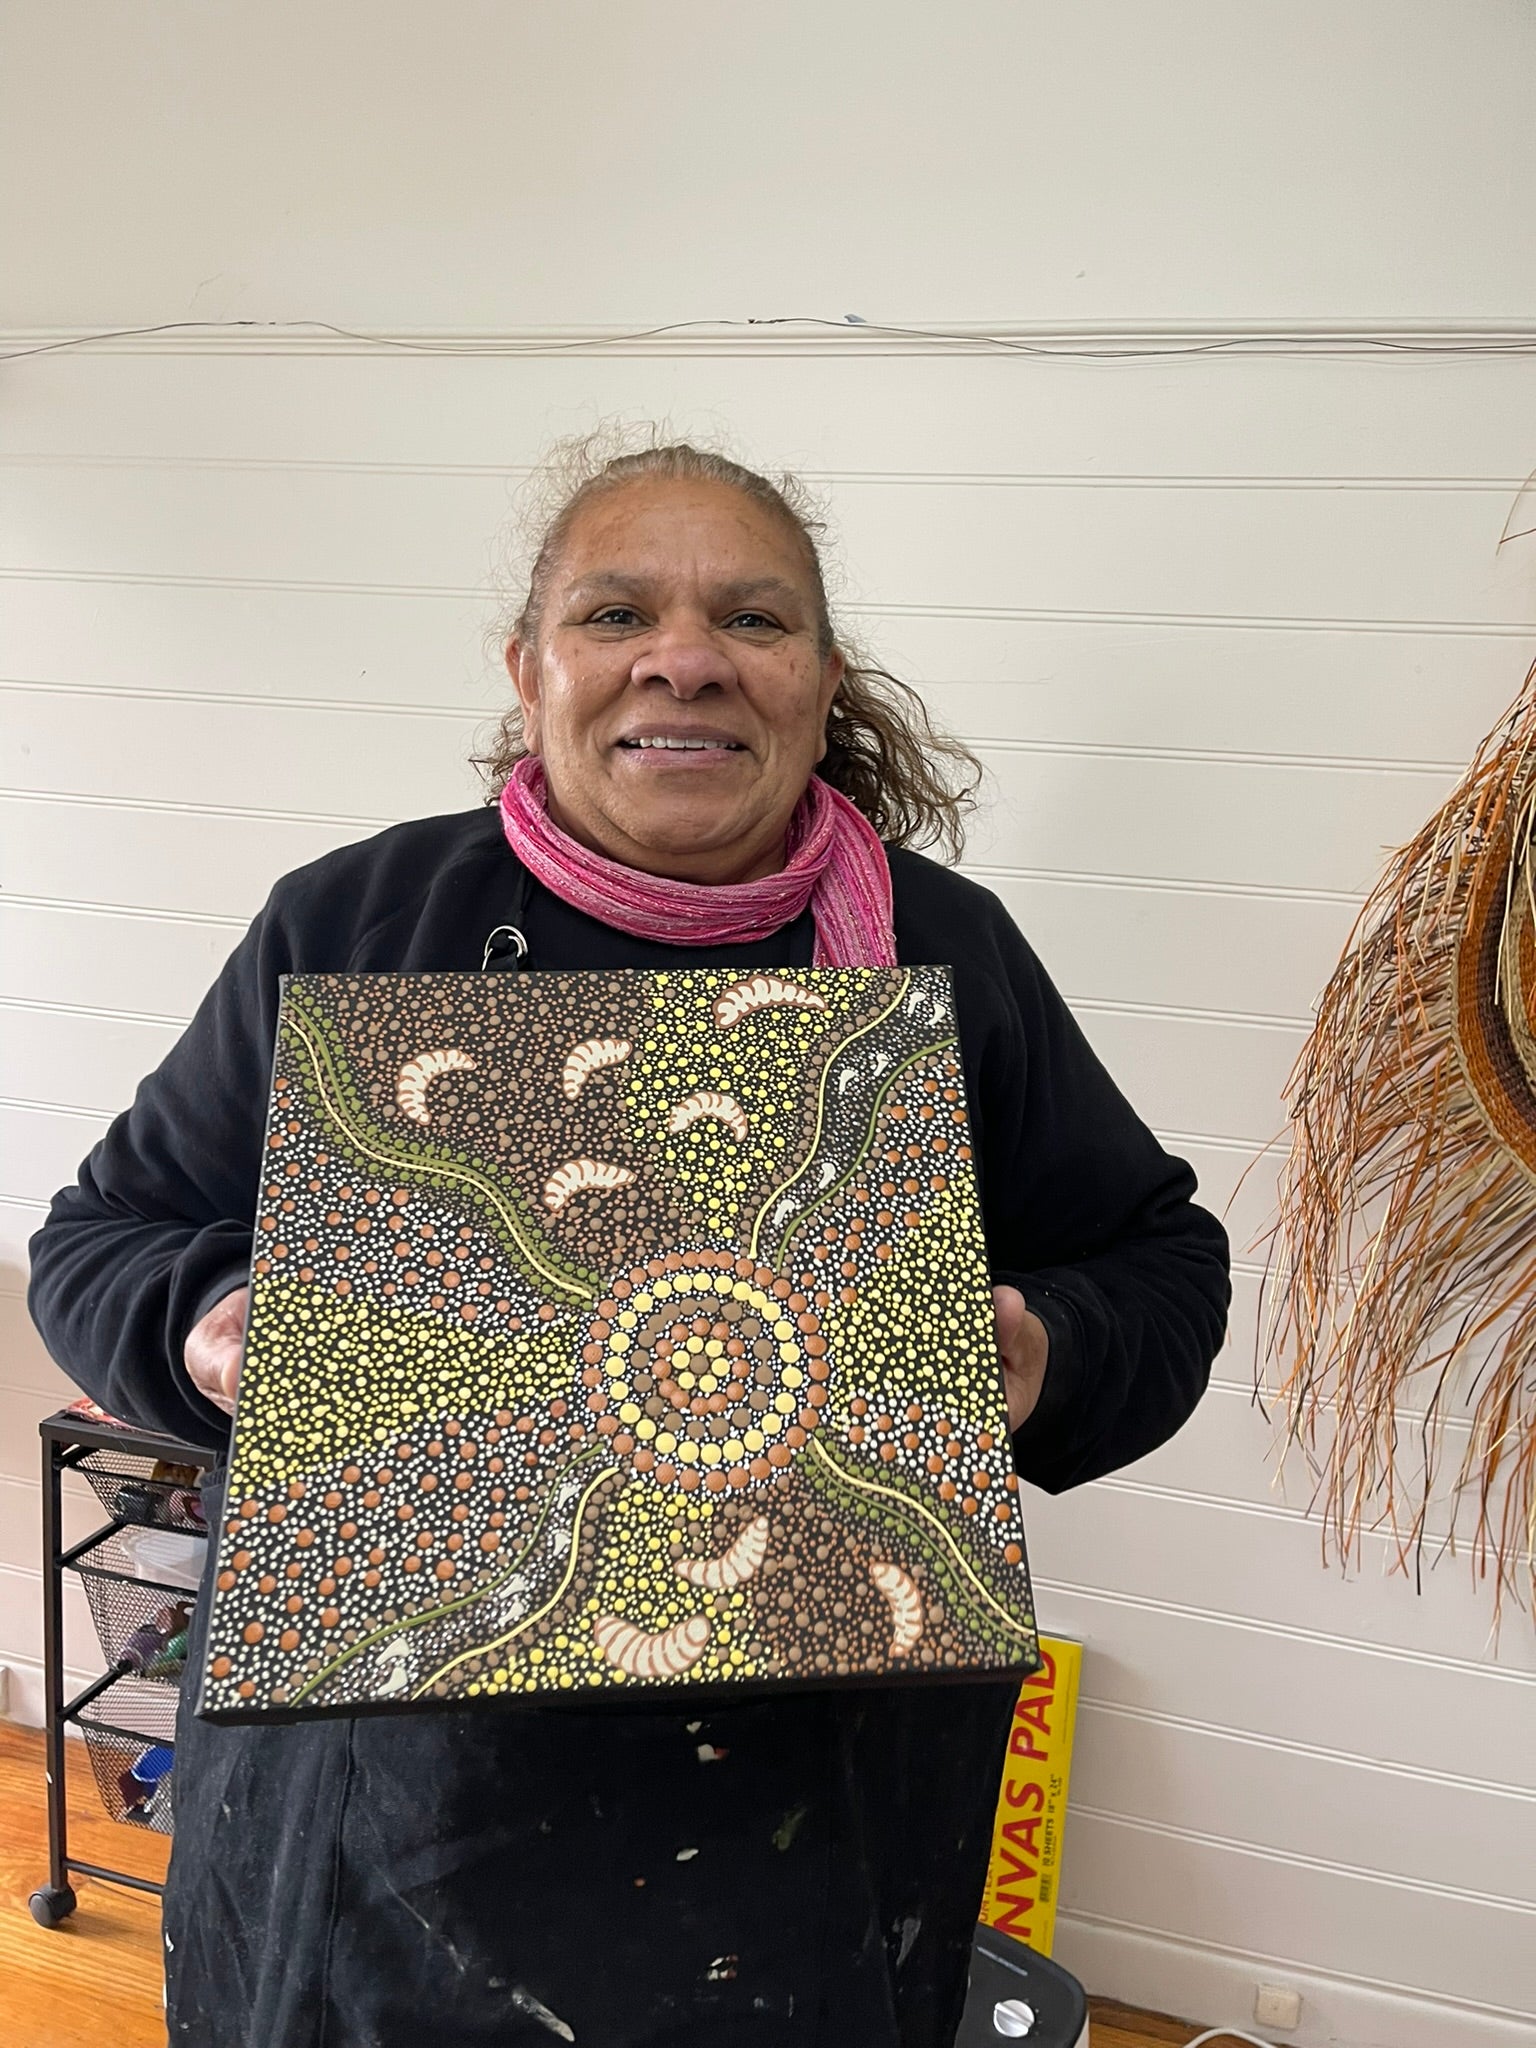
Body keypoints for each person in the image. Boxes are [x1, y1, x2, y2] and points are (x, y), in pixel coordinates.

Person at [28, 437, 1230, 2048]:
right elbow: (100, 1236)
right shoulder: (359, 921)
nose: (686, 656)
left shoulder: (943, 956)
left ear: (817, 680)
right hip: (379, 1812)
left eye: (754, 618)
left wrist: (1037, 1354)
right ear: (529, 670)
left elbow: (1160, 1263)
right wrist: (209, 1326)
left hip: (811, 1817)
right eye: (616, 613)